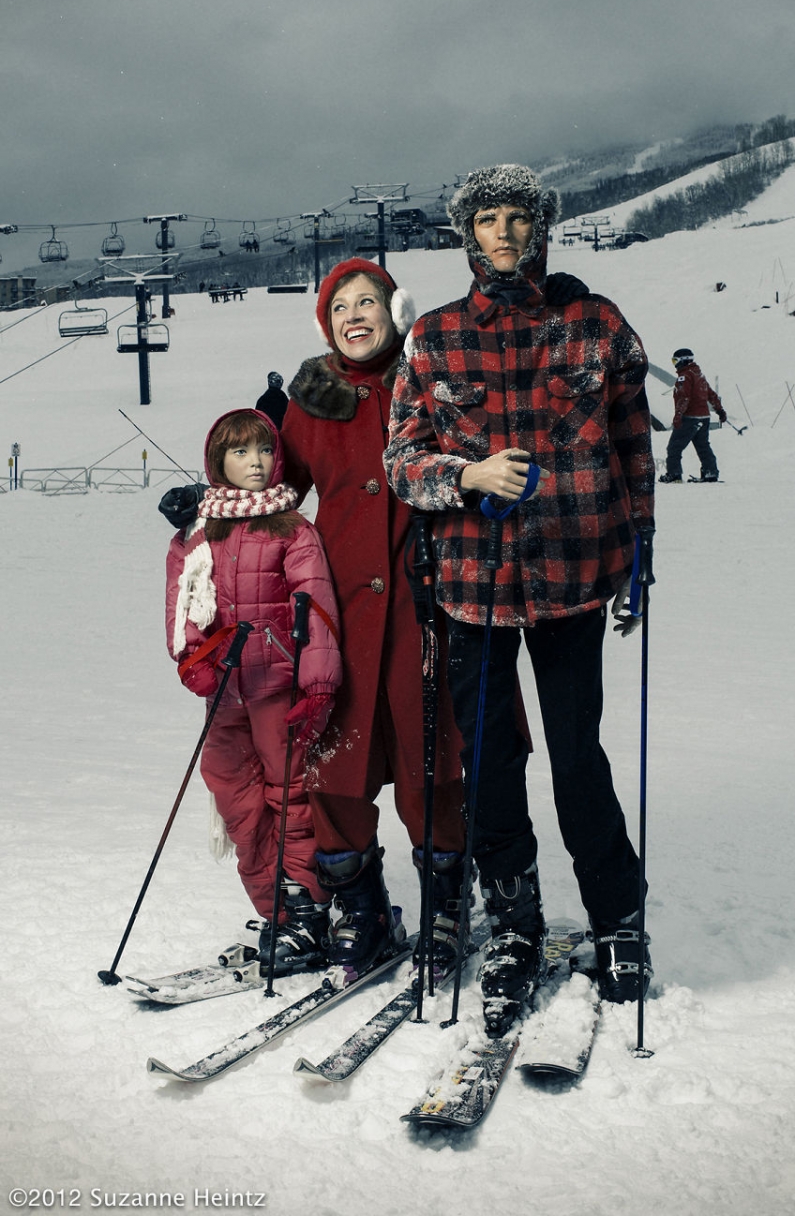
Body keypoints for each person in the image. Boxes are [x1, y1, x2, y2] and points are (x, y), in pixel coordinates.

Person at [384, 164, 656, 1034]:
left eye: (518, 218)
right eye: (489, 219)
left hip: (577, 573)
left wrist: (639, 548)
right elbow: (400, 462)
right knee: (492, 765)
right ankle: (513, 923)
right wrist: (463, 473)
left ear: (542, 227)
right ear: (467, 234)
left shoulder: (595, 322)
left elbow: (632, 446)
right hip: (473, 587)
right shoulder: (432, 339)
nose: (504, 232)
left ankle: (618, 918)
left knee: (578, 757)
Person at [280, 258, 466, 983]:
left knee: (431, 756)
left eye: (368, 302)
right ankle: (358, 904)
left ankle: (445, 902)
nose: (354, 315)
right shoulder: (310, 401)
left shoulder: (431, 380)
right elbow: (276, 487)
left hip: (426, 607)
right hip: (339, 614)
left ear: (396, 310)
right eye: (339, 308)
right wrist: (219, 505)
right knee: (336, 758)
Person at [165, 408, 342, 977]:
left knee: (289, 797)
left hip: (277, 688)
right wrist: (191, 659)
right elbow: (183, 599)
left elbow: (317, 606)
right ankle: (275, 909)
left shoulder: (293, 529)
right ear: (219, 463)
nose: (256, 463)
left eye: (264, 451)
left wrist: (317, 681)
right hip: (225, 692)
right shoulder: (200, 533)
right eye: (241, 453)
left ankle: (309, 912)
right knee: (233, 792)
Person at [660, 348, 727, 483]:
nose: (674, 364)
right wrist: (720, 410)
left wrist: (678, 416)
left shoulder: (685, 376)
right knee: (703, 446)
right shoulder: (698, 375)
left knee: (674, 447)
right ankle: (710, 472)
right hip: (704, 418)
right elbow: (711, 394)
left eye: (675, 361)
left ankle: (674, 474)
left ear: (683, 361)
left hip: (690, 418)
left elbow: (684, 397)